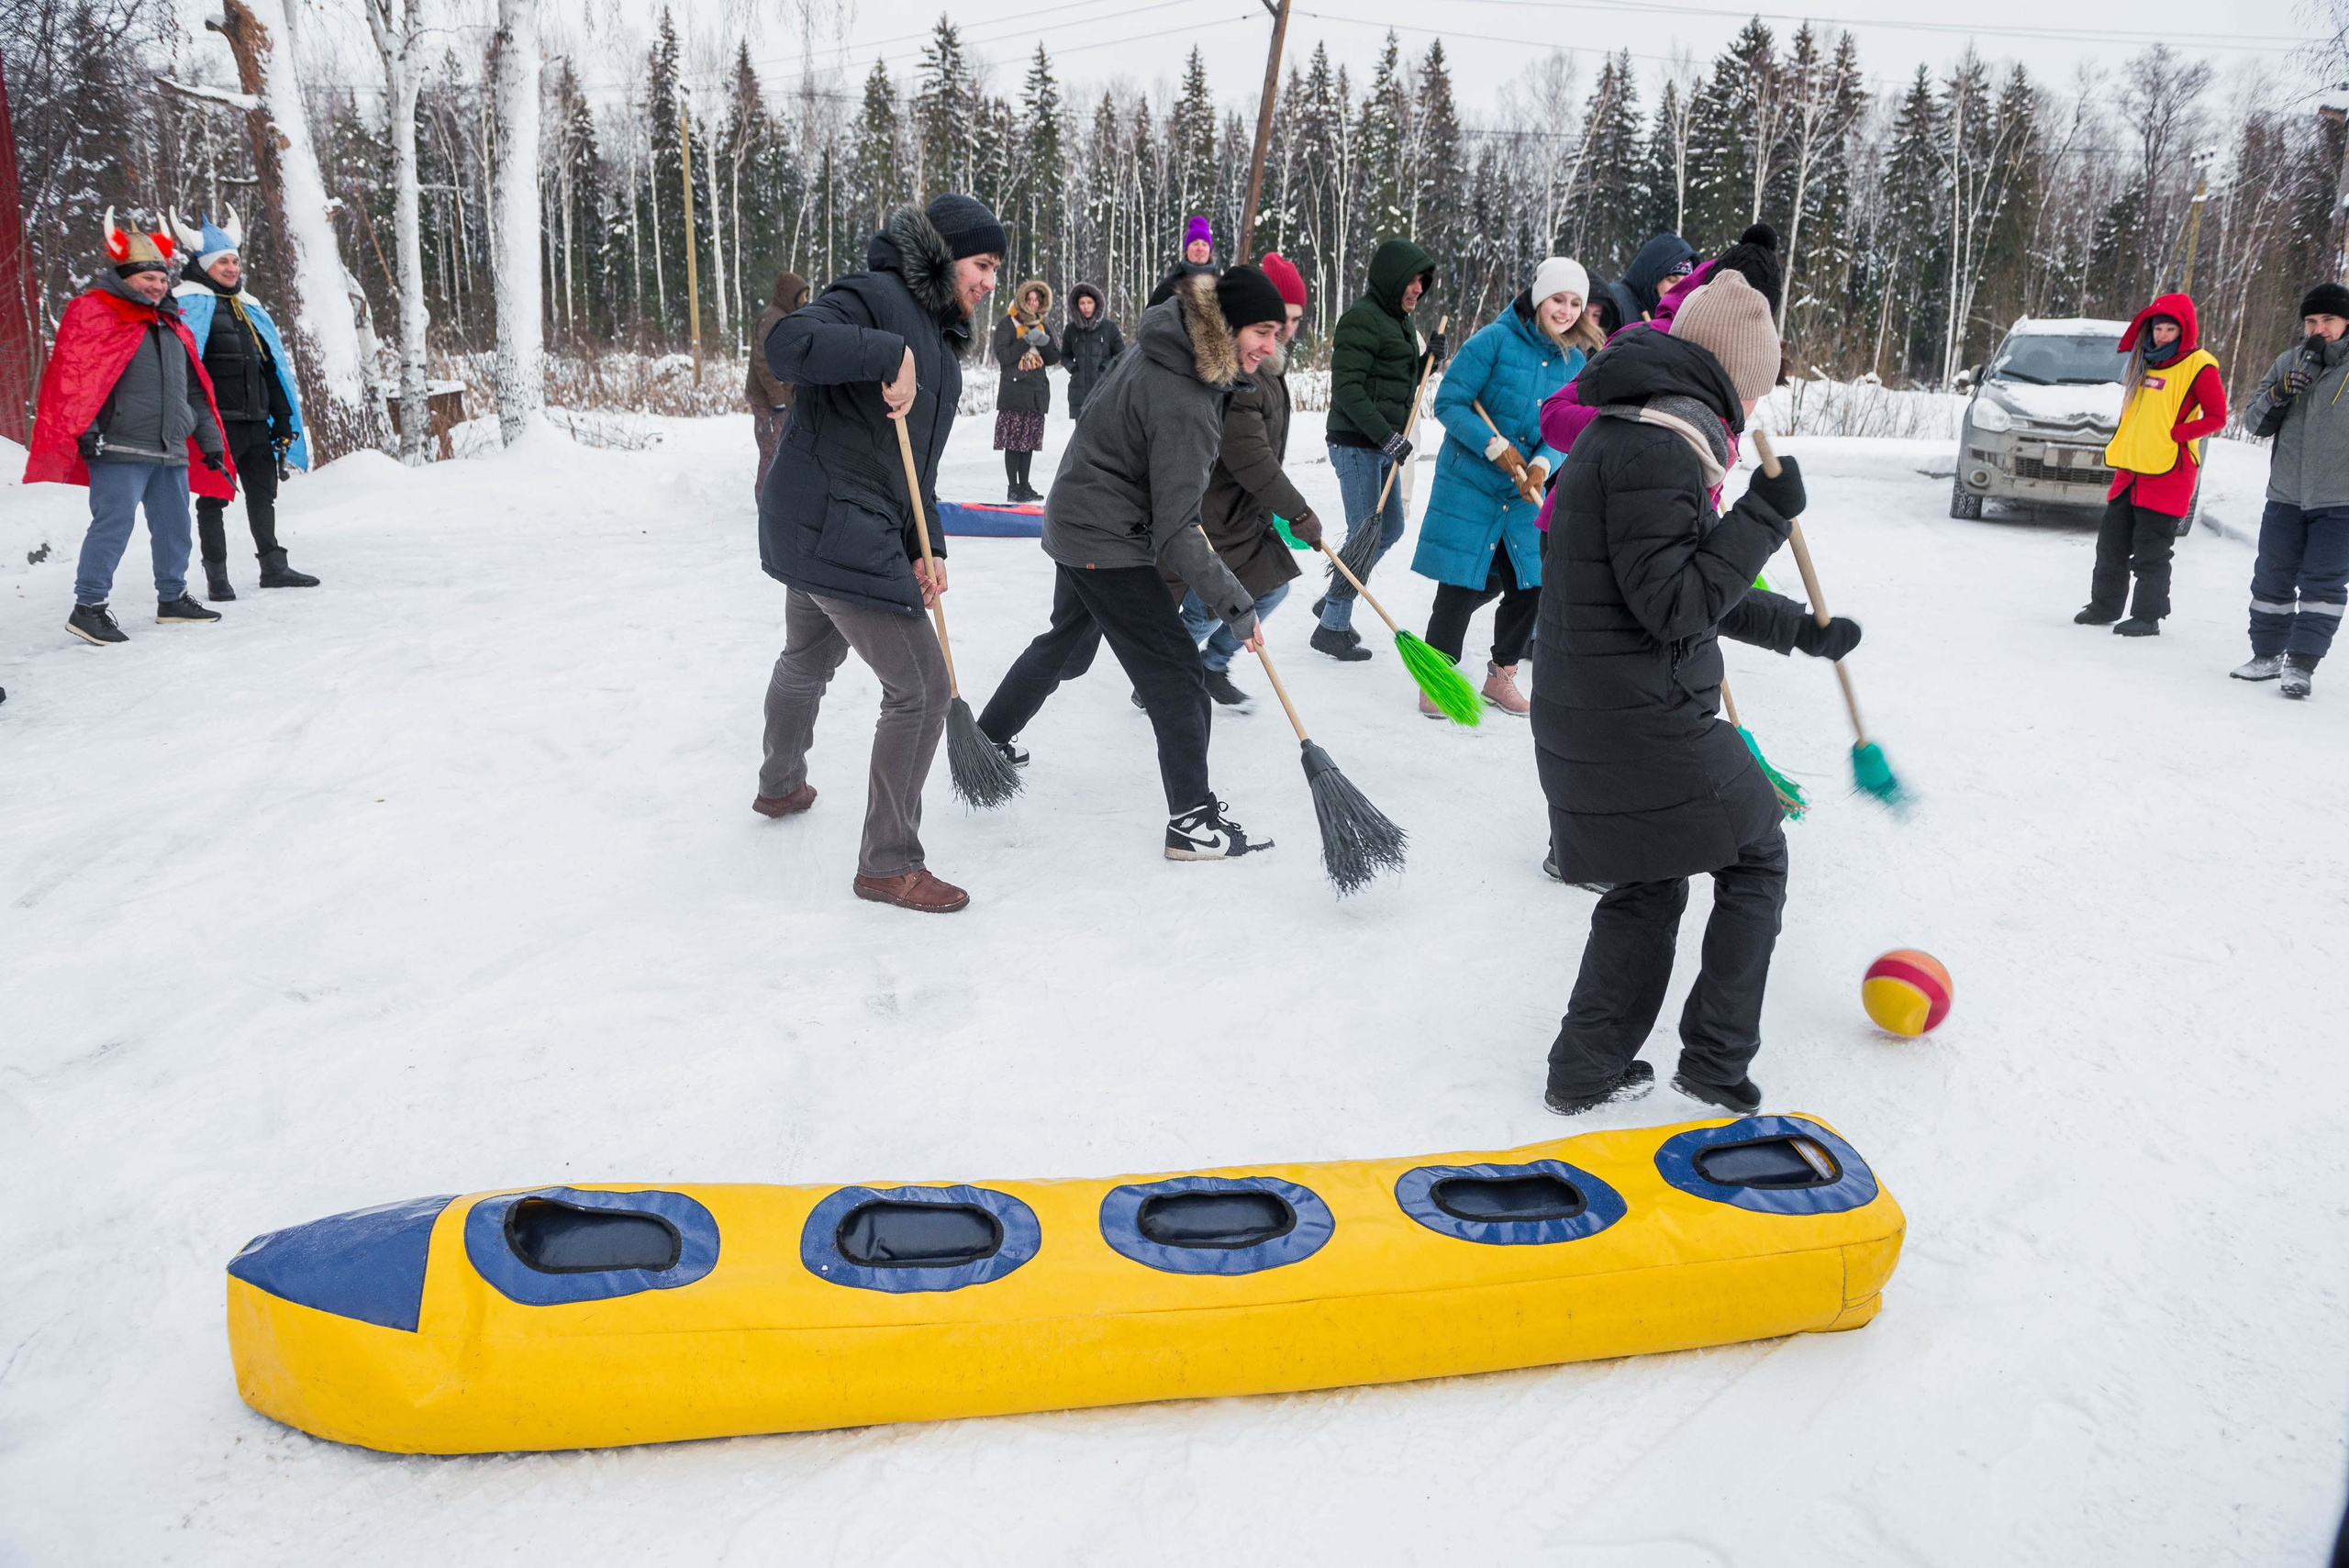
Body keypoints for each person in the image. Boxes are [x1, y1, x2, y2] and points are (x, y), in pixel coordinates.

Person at [1535, 270, 1808, 1118]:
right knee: (1755, 853)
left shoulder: (1637, 431)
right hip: (1635, 713)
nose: (1755, 409)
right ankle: (1716, 1062)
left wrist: (1800, 628)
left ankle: (1585, 1069)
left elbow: (1676, 580)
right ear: (1730, 371)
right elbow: (1676, 602)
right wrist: (1761, 518)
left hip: (1600, 707)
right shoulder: (1660, 447)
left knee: (1649, 878)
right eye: (1756, 389)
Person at [976, 266, 1293, 861]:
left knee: (1068, 647)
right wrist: (1235, 605)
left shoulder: (1167, 345)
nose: (1271, 347)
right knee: (1178, 676)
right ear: (1227, 325)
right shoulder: (1187, 395)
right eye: (1263, 330)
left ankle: (986, 738)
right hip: (1106, 535)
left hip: (1076, 516)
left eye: (1278, 334)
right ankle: (1193, 823)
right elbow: (1178, 527)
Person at [752, 195, 1005, 914]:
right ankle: (888, 861)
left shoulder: (943, 355)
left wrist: (931, 544)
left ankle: (780, 783)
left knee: (807, 658)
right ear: (944, 252)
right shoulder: (878, 295)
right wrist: (885, 352)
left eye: (995, 269)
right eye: (982, 264)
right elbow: (787, 345)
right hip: (838, 526)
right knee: (922, 687)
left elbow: (914, 470)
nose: (989, 281)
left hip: (812, 522)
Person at [26, 210, 231, 645]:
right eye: (147, 278)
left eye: (161, 279)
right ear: (124, 275)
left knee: (175, 526)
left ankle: (172, 597)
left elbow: (196, 391)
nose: (157, 286)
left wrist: (210, 443)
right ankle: (89, 606)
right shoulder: (96, 313)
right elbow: (78, 377)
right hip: (118, 444)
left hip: (171, 445)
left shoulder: (173, 325)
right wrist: (85, 429)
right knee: (112, 525)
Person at [1410, 257, 1598, 717]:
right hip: (1469, 482)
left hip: (1521, 492)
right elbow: (1450, 401)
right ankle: (1436, 678)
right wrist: (1493, 445)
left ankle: (1502, 675)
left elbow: (1565, 430)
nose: (1567, 309)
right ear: (1539, 299)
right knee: (1459, 583)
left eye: (1576, 302)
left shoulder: (1574, 362)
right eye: (1558, 298)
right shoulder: (1494, 340)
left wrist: (1541, 461)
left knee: (1531, 583)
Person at [1169, 250, 1324, 715]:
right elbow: (1250, 457)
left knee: (1271, 588)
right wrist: (1295, 510)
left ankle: (1212, 665)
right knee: (1203, 607)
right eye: (1279, 322)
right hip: (1214, 512)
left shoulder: (1267, 366)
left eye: (1293, 321)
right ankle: (1166, 672)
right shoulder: (1239, 374)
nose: (1287, 332)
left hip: (1242, 511)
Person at [169, 208, 317, 600]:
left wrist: (283, 420)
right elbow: (186, 371)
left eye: (235, 260)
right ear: (205, 265)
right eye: (223, 261)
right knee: (213, 499)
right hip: (217, 424)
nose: (232, 267)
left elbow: (272, 369)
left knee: (263, 493)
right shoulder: (189, 305)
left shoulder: (248, 307)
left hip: (256, 422)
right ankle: (217, 577)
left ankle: (274, 566)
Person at [1314, 236, 1442, 662]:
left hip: (1382, 445)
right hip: (1355, 444)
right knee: (1364, 534)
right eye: (1412, 281)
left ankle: (1338, 591)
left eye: (1423, 282)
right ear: (1391, 278)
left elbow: (1396, 375)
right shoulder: (1361, 319)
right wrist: (1385, 436)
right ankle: (1332, 628)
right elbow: (1348, 389)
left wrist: (1429, 359)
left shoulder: (1400, 320)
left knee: (1390, 530)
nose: (1418, 289)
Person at [2075, 293, 2225, 639]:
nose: (2162, 336)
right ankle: (2104, 607)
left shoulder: (2200, 365)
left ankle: (2147, 616)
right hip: (2130, 470)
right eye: (2159, 328)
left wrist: (2179, 433)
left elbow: (2217, 417)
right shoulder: (2143, 362)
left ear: (2184, 331)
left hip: (2169, 473)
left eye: (2171, 329)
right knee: (2111, 544)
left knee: (2151, 549)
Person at [2231, 284, 2349, 700]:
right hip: (2285, 494)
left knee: (2323, 584)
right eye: (2312, 321)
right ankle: (2266, 656)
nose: (2319, 329)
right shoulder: (2288, 362)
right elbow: (2254, 422)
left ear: (2346, 321)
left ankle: (2300, 665)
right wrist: (2280, 395)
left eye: (2328, 320)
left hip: (2340, 500)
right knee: (2271, 579)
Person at [992, 279, 1059, 502]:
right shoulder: (1007, 324)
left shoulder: (1042, 325)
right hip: (1014, 394)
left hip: (1036, 395)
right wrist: (1026, 341)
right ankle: (1013, 487)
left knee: (1028, 443)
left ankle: (1025, 485)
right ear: (1022, 300)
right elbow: (1003, 356)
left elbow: (1053, 358)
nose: (1032, 304)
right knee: (1013, 444)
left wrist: (1045, 342)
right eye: (1029, 299)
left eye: (1036, 301)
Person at [746, 268, 809, 499]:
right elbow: (762, 361)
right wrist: (777, 398)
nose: (804, 301)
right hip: (768, 402)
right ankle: (765, 503)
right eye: (801, 295)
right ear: (789, 295)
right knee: (770, 452)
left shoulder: (784, 317)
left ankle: (775, 502)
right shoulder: (772, 318)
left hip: (780, 400)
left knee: (779, 452)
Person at [1062, 284, 1124, 423]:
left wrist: (1105, 369)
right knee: (1081, 435)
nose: (1086, 307)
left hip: (1104, 388)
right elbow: (1064, 355)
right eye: (1082, 303)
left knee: (1103, 435)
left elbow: (1121, 355)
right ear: (1076, 305)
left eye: (1089, 302)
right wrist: (1073, 368)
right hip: (1079, 391)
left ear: (1096, 303)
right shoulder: (1071, 329)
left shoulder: (1109, 327)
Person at [1620, 231, 1698, 321]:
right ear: (1652, 277)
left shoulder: (1679, 317)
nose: (1680, 288)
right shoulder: (1619, 304)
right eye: (1672, 280)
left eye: (1686, 283)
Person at [1148, 216, 1221, 306]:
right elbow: (1149, 318)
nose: (1200, 248)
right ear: (1186, 250)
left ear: (1209, 251)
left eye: (1204, 244)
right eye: (1195, 244)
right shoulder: (1168, 287)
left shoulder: (1222, 287)